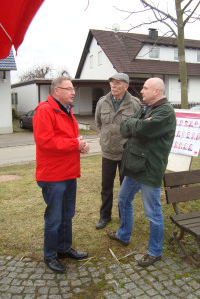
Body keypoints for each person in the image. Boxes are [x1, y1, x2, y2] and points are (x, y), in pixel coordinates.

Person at [107, 77, 176, 267]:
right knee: (123, 199)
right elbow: (125, 125)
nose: (141, 91)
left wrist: (138, 124)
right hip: (136, 165)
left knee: (153, 212)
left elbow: (142, 129)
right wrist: (137, 123)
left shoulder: (165, 112)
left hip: (150, 169)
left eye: (145, 88)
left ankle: (155, 251)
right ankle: (123, 235)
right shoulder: (146, 108)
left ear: (156, 91)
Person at [33, 77, 90, 274]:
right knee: (54, 218)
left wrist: (80, 146)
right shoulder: (45, 110)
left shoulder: (66, 110)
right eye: (69, 89)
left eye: (73, 89)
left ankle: (64, 248)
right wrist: (75, 144)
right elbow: (45, 141)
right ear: (56, 91)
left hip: (68, 173)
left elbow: (68, 139)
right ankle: (50, 254)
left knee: (67, 215)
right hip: (53, 176)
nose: (73, 92)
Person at [95, 73, 140, 229]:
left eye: (118, 83)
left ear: (126, 86)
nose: (114, 86)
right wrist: (104, 139)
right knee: (106, 187)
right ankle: (105, 216)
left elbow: (137, 127)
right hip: (107, 152)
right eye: (112, 83)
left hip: (125, 153)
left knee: (125, 188)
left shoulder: (134, 104)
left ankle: (124, 217)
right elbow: (98, 124)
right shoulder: (102, 102)